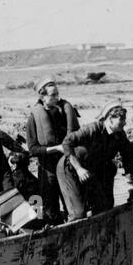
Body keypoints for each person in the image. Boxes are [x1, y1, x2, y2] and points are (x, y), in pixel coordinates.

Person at [58, 104, 133, 220]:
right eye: (121, 119)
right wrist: (78, 169)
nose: (125, 123)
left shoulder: (119, 136)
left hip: (89, 170)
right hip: (70, 168)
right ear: (110, 119)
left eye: (125, 119)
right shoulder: (92, 129)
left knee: (104, 206)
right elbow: (67, 143)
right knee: (78, 214)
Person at [25, 79, 81, 223]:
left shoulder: (63, 113)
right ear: (42, 97)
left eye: (57, 94)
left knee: (73, 202)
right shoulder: (34, 118)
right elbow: (32, 149)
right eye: (53, 95)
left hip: (66, 164)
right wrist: (56, 148)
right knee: (50, 207)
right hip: (47, 168)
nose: (57, 98)